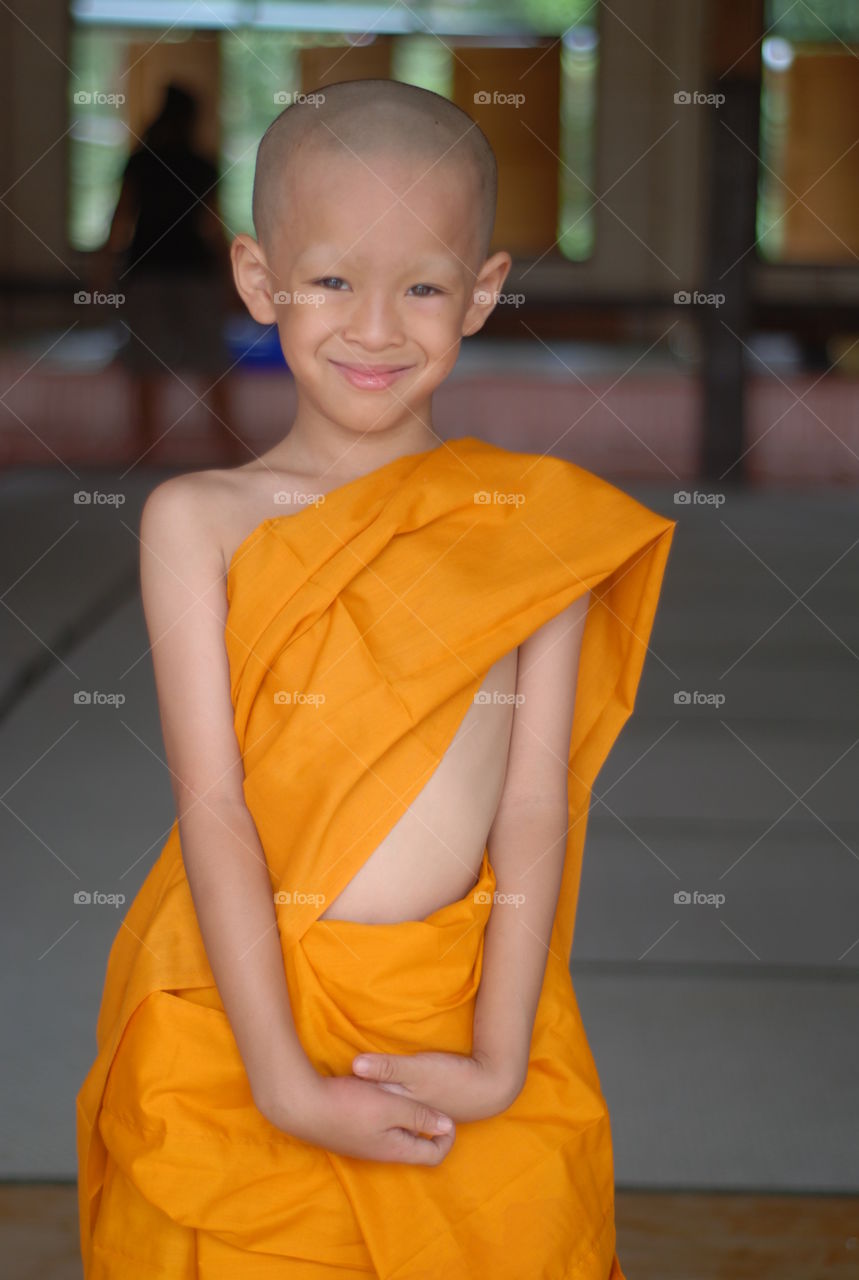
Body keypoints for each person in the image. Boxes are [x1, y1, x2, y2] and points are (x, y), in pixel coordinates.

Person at [76, 78, 676, 1278]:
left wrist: (503, 1050)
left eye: (423, 286)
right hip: (244, 1019)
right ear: (258, 280)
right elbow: (216, 803)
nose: (375, 326)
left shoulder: (525, 522)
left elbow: (531, 805)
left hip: (455, 1013)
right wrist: (285, 1082)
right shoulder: (201, 520)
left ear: (484, 294)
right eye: (334, 279)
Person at [91, 82, 240, 461]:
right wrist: (230, 277)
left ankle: (144, 447)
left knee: (146, 363)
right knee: (210, 359)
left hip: (148, 271)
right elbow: (213, 227)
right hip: (193, 271)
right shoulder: (200, 163)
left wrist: (103, 270)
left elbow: (119, 221)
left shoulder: (142, 160)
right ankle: (229, 448)